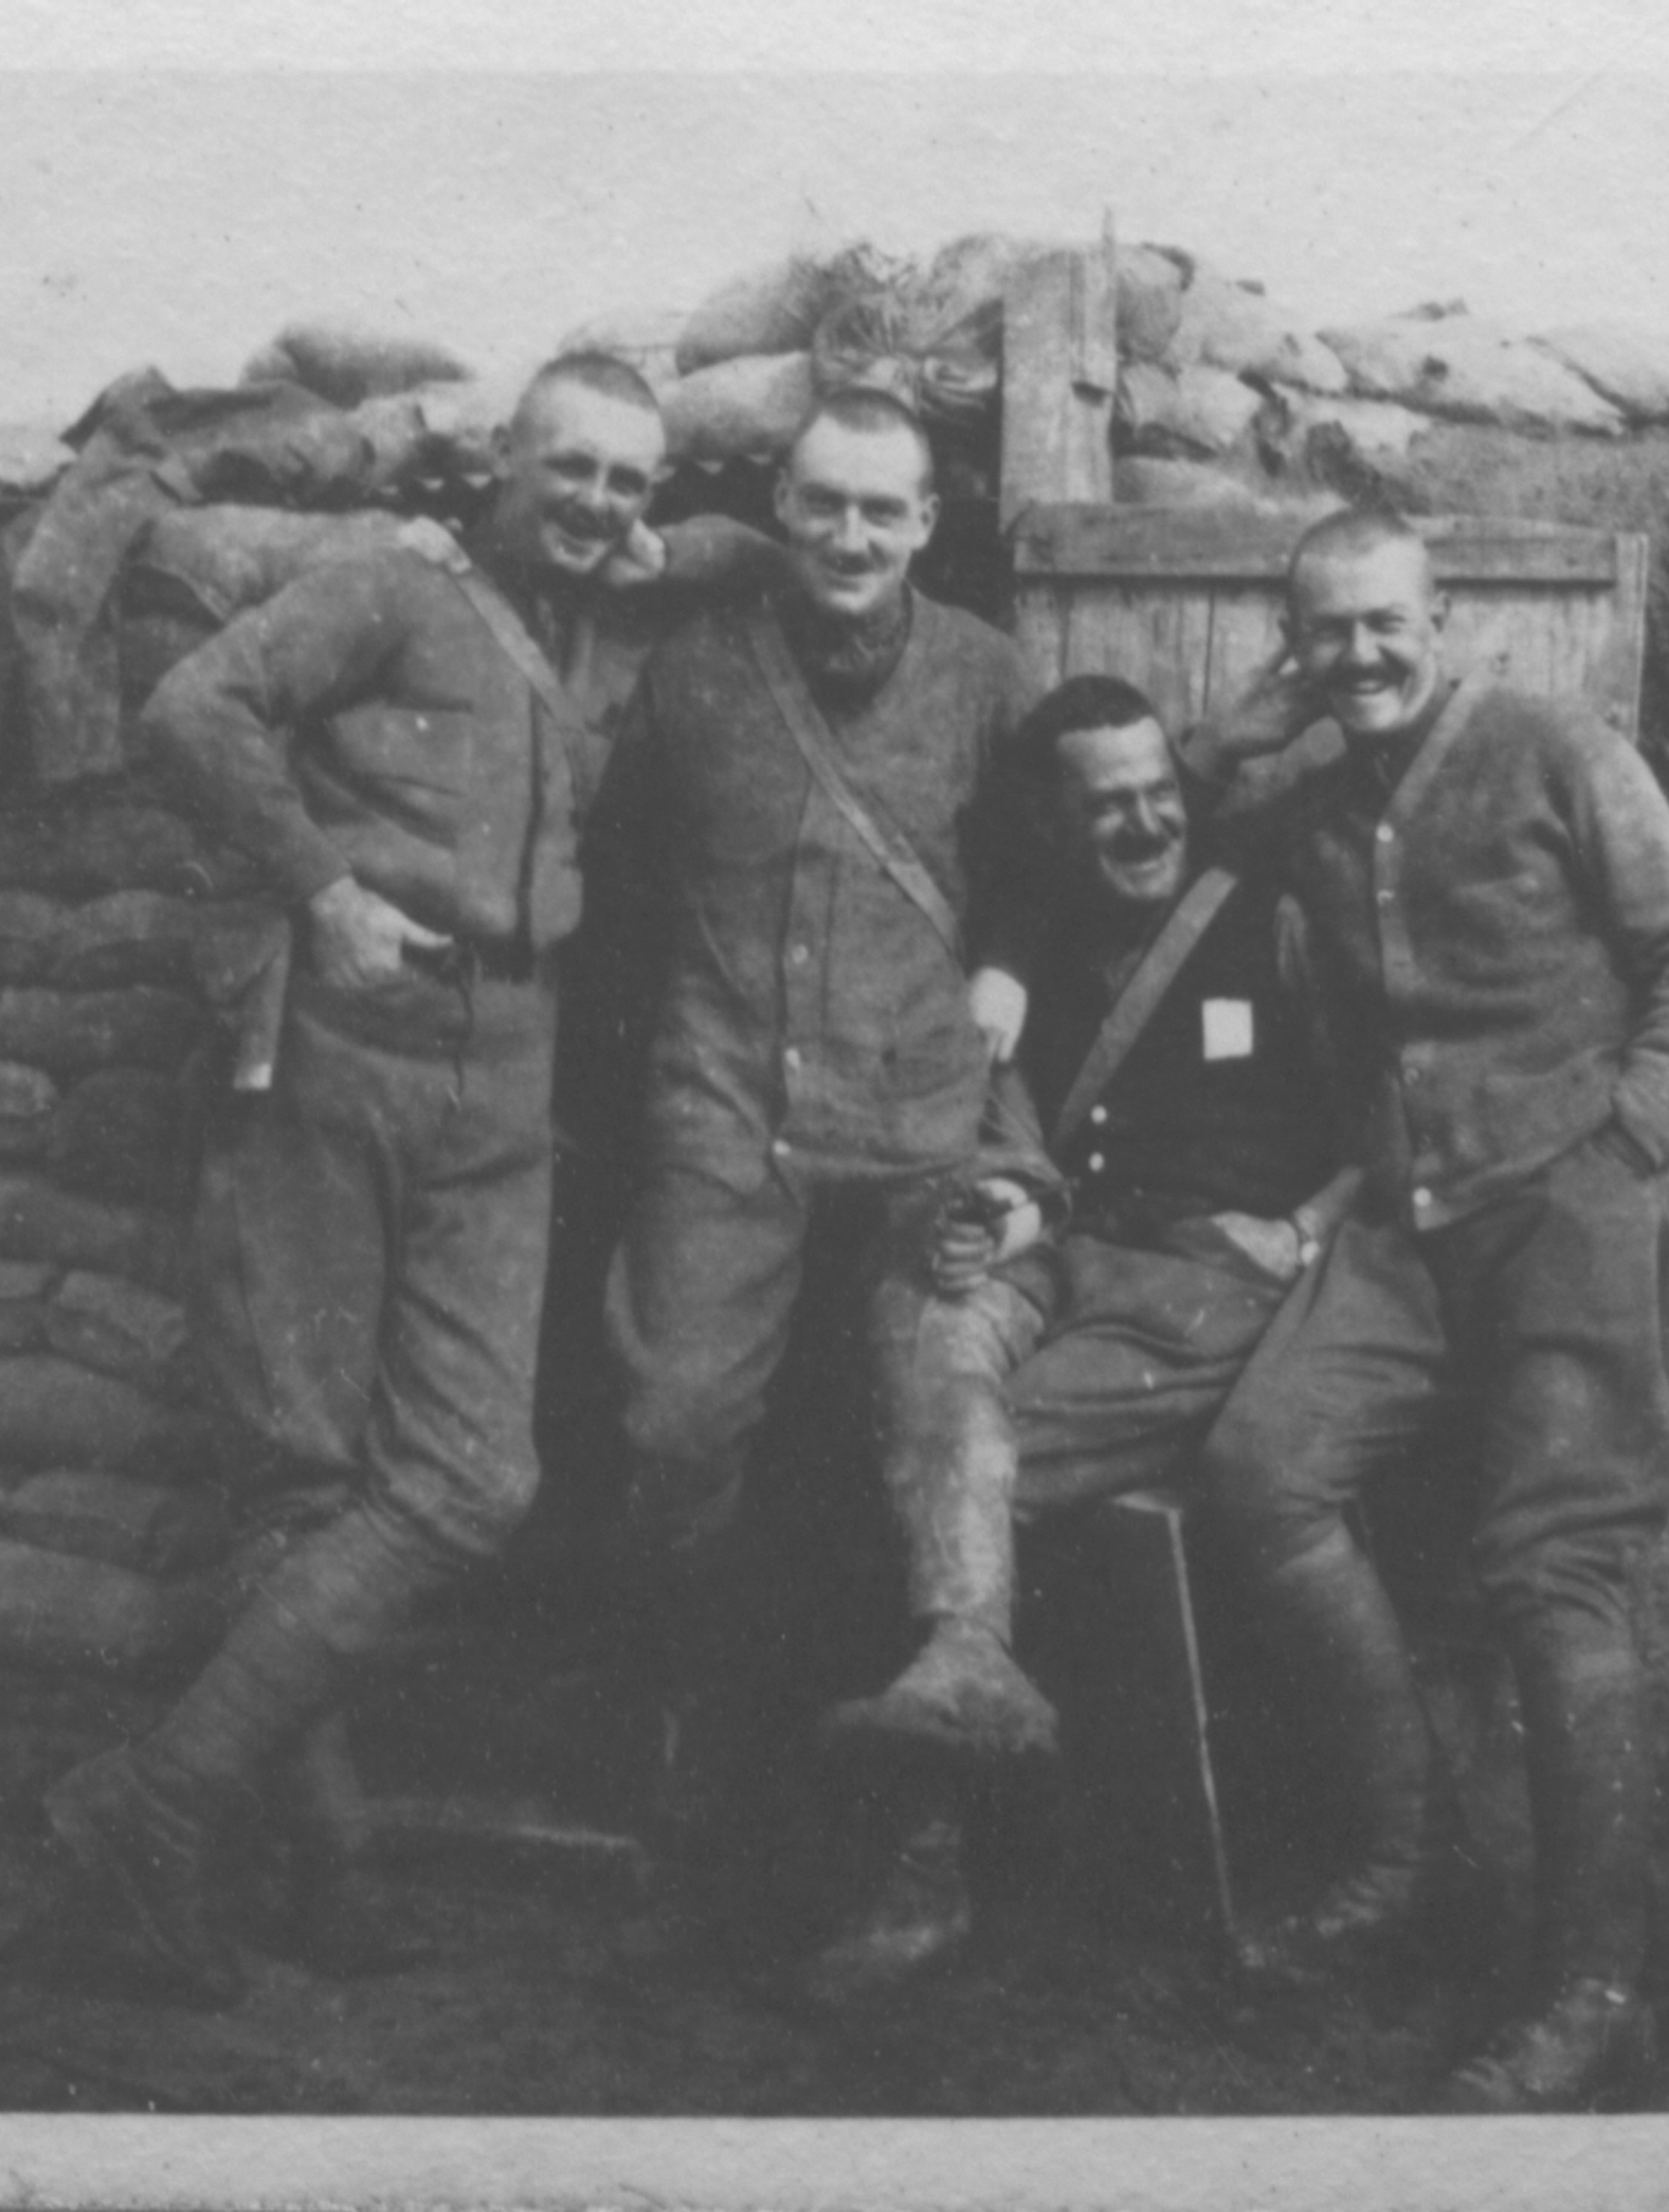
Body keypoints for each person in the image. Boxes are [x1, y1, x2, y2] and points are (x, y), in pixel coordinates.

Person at [43, 353, 762, 2007]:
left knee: (467, 1476)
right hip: (339, 1046)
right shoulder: (385, 588)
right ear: (501, 465)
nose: (595, 504)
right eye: (569, 469)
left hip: (507, 1075)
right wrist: (318, 891)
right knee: (301, 1477)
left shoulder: (611, 636)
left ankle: (157, 1803)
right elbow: (188, 708)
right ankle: (331, 1864)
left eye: (628, 484)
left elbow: (750, 567)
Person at [1183, 509, 1669, 2109]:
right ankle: (1397, 1863)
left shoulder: (1553, 747)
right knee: (1260, 1470)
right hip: (1406, 1224)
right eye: (1326, 633)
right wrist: (1248, 714)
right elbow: (1190, 808)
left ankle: (1593, 1979)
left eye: (1388, 626)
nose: (1360, 657)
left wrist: (1631, 1143)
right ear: (1290, 645)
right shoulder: (1310, 798)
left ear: (1441, 624)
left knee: (1552, 1567)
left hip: (1572, 1206)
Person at [800, 674, 1361, 2002]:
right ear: (1055, 822)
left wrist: (1306, 1229)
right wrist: (992, 1209)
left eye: (1158, 795)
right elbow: (1018, 1135)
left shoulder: (1268, 918)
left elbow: (1380, 1117)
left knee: (944, 1463)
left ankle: (927, 1867)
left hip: (1208, 1279)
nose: (1141, 826)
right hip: (1064, 1249)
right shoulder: (1027, 939)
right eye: (1105, 806)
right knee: (917, 1315)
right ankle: (967, 1672)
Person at [591, 387, 1046, 1877]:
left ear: (925, 525)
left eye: (881, 510)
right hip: (727, 1110)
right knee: (677, 1426)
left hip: (918, 1118)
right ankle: (692, 1702)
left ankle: (922, 1792)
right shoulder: (693, 672)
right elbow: (620, 873)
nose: (849, 535)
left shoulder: (987, 677)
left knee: (918, 1418)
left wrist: (1007, 969)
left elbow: (1046, 862)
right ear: (778, 509)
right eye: (822, 503)